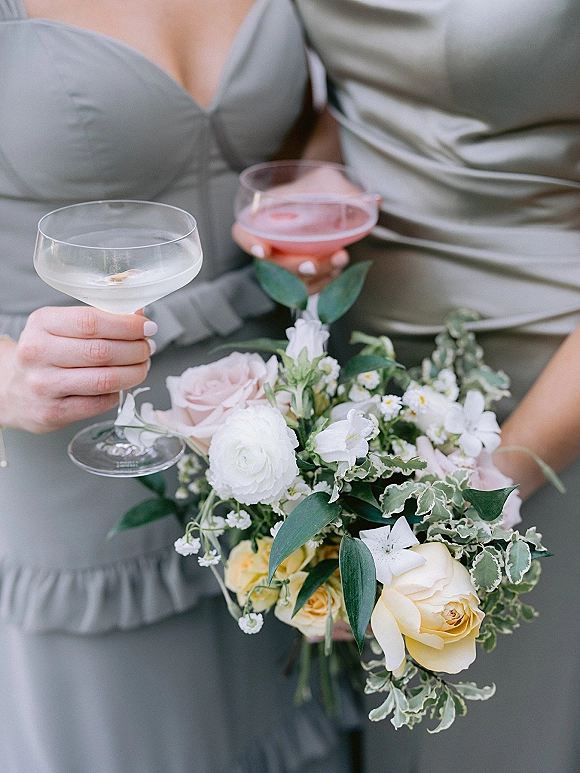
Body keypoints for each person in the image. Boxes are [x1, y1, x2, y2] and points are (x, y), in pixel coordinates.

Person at [0, 1, 359, 771]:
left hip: (275, 432)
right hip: (70, 443)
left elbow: (306, 121)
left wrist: (313, 176)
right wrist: (4, 379)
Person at [237, 1, 580, 771]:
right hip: (356, 364)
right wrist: (320, 172)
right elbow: (353, 99)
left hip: (545, 388)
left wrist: (490, 486)